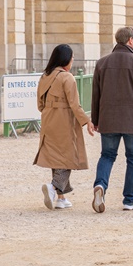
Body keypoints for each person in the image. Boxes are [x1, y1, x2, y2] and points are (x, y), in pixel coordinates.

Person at [91, 26, 133, 212]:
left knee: (107, 155)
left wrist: (95, 119)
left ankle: (101, 185)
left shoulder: (102, 63)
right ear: (130, 40)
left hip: (108, 119)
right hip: (132, 121)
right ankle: (129, 199)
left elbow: (96, 94)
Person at [34, 44, 95, 210]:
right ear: (65, 59)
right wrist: (86, 121)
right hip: (63, 121)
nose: (73, 60)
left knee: (56, 157)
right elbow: (75, 105)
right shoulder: (67, 77)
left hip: (48, 120)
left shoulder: (45, 76)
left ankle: (61, 197)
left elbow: (40, 104)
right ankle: (53, 188)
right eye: (72, 57)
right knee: (68, 157)